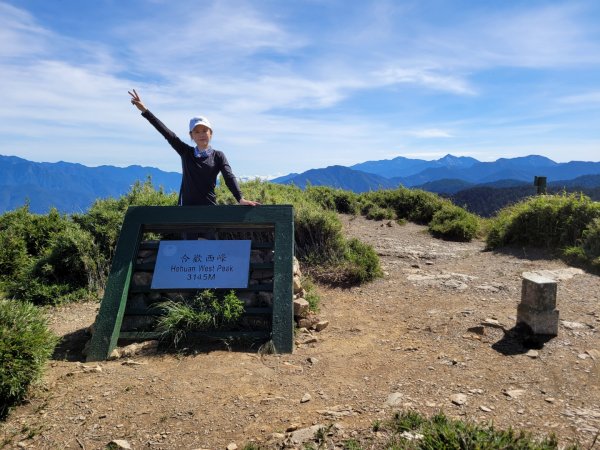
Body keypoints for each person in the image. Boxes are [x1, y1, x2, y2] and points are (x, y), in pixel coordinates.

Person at [128, 89, 259, 207]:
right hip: (186, 211)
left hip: (209, 209)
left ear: (211, 133)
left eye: (204, 130)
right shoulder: (186, 152)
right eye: (196, 132)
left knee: (209, 235)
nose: (201, 134)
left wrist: (240, 199)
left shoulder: (218, 156)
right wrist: (145, 111)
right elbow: (167, 133)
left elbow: (229, 178)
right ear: (191, 136)